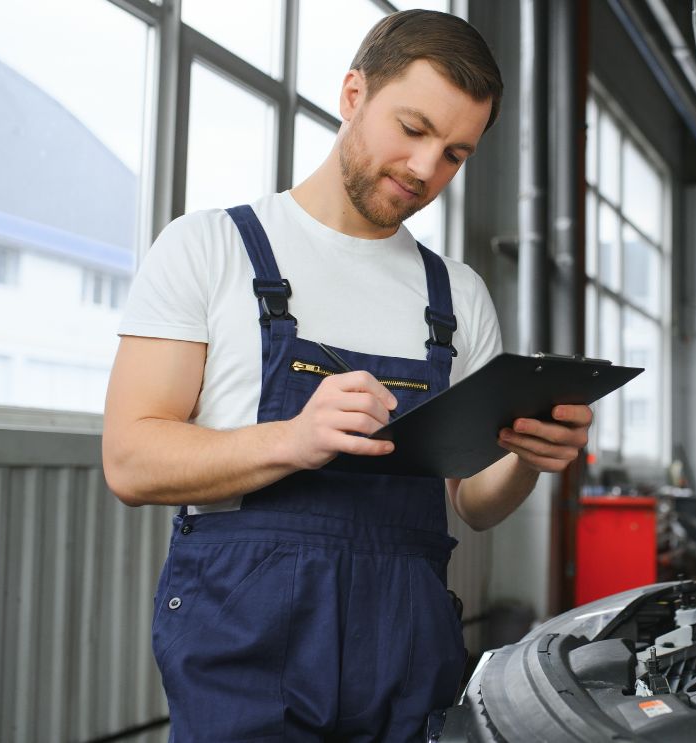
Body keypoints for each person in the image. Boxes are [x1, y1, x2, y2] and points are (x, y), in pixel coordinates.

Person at [102, 10, 592, 741]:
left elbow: (474, 503)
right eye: (413, 129)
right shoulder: (210, 248)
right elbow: (131, 461)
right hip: (246, 637)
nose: (427, 170)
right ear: (354, 93)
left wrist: (527, 454)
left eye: (455, 153)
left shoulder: (455, 295)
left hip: (407, 643)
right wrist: (289, 439)